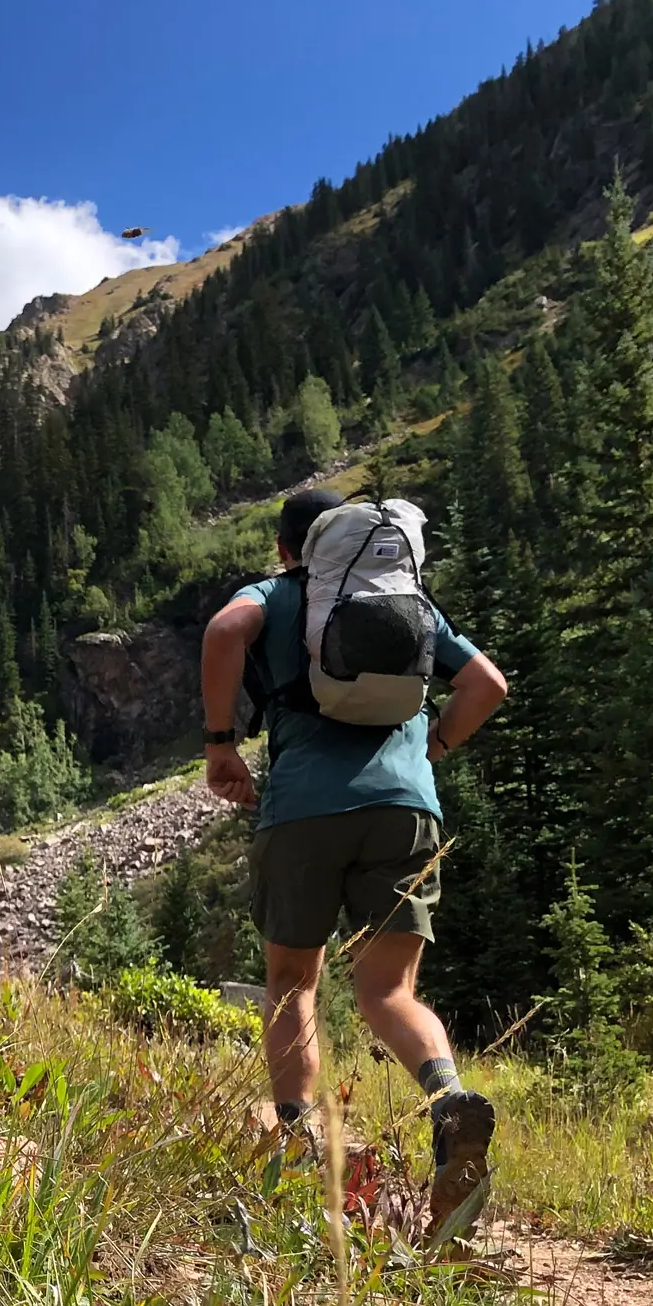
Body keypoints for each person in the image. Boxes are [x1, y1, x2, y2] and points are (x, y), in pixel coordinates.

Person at [197, 488, 510, 1236]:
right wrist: (429, 752)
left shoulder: (273, 595)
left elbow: (221, 632)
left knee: (292, 981)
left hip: (304, 809)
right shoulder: (410, 609)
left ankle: (299, 1142)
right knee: (390, 990)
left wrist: (218, 742)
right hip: (407, 812)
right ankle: (448, 1103)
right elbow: (486, 686)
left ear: (287, 547)